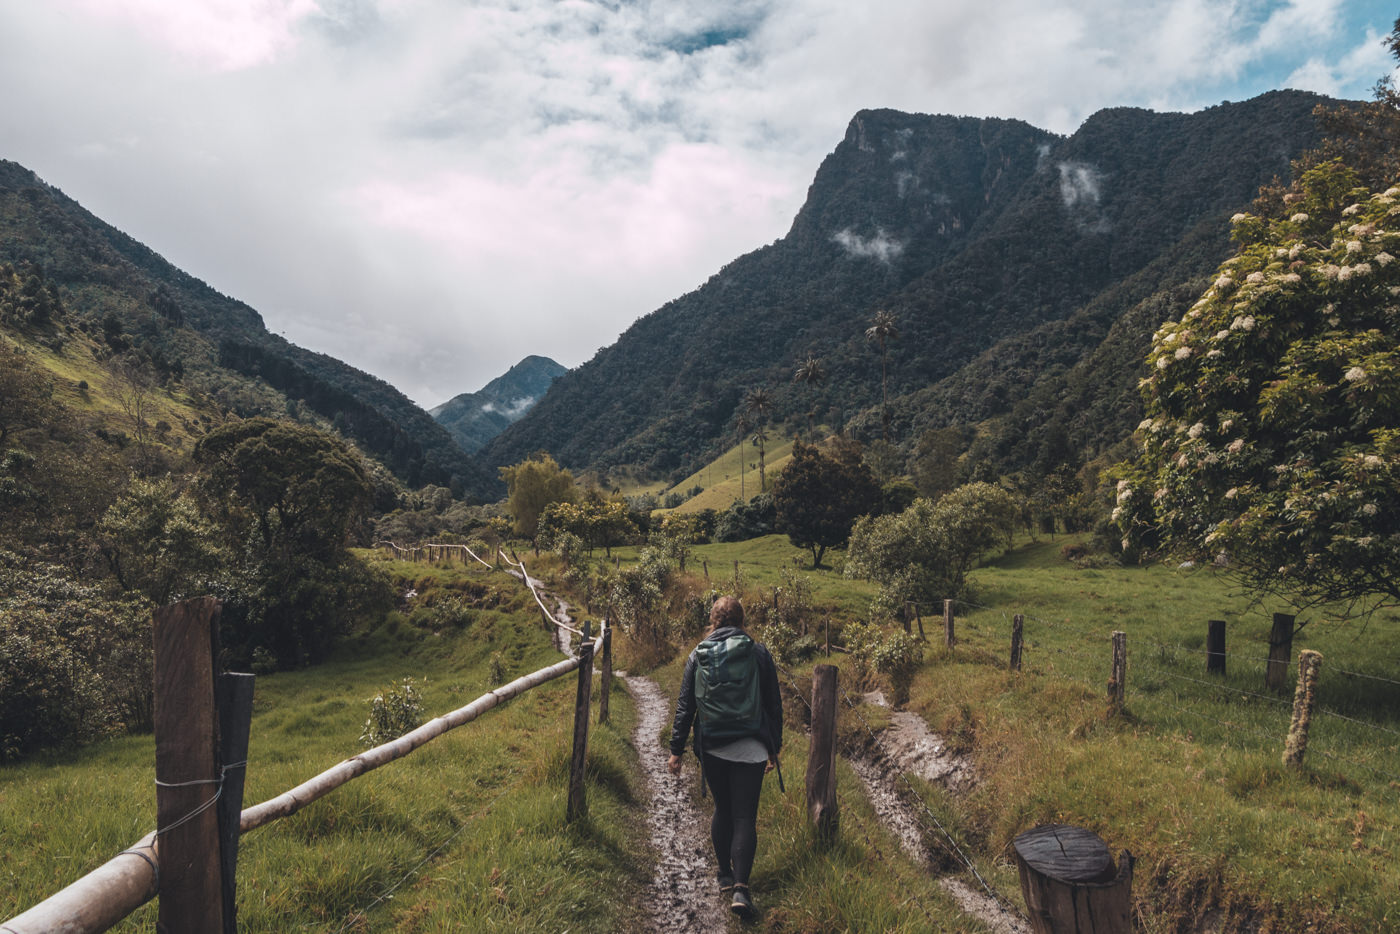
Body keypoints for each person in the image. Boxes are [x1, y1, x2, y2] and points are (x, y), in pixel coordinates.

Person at [668, 595, 783, 919]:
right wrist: (774, 746)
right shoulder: (758, 652)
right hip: (752, 746)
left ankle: (723, 874)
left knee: (723, 809)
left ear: (713, 620)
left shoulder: (698, 654)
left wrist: (676, 750)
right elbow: (774, 704)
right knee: (745, 816)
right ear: (742, 620)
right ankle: (741, 891)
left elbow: (685, 705)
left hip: (714, 745)